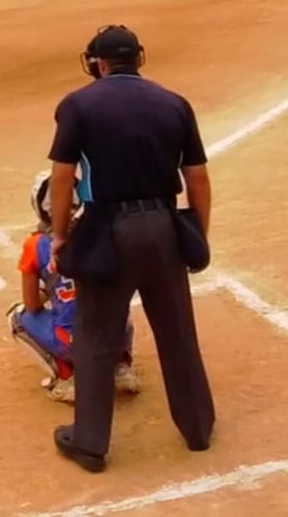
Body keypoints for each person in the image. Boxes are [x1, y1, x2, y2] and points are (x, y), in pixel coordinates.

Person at [45, 25, 214, 473]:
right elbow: (197, 177)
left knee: (96, 336)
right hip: (163, 225)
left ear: (98, 63)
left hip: (106, 229)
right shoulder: (174, 103)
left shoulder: (78, 104)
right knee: (177, 331)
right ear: (139, 57)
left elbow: (62, 176)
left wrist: (59, 234)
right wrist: (196, 232)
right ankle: (198, 429)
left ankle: (90, 443)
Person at [8, 169, 141, 404]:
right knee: (118, 309)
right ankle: (120, 367)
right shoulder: (101, 236)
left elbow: (32, 304)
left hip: (72, 343)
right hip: (112, 337)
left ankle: (66, 378)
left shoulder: (35, 245)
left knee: (18, 317)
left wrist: (51, 289)